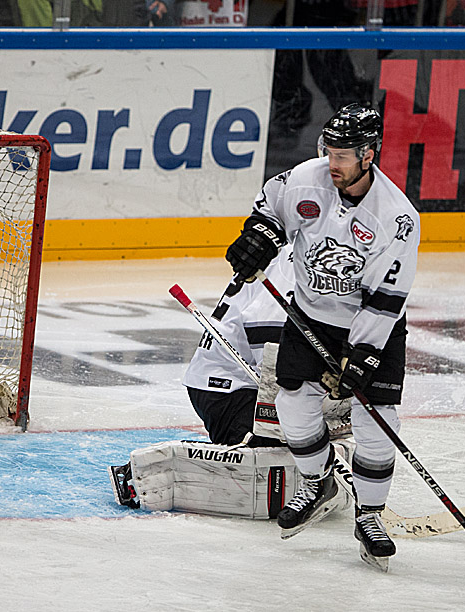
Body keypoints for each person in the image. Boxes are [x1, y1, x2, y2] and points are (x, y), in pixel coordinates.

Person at [224, 103, 420, 570]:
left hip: (372, 326)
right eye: (329, 151)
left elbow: (386, 298)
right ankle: (318, 482)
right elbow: (270, 208)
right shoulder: (306, 179)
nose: (332, 162)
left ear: (369, 155)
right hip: (310, 316)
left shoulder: (396, 217)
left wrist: (363, 353)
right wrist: (259, 236)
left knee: (376, 421)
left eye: (343, 155)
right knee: (292, 405)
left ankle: (369, 516)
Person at [108, 245, 357, 522]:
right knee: (275, 467)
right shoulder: (298, 257)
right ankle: (153, 471)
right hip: (228, 386)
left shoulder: (318, 250)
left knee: (310, 450)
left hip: (245, 375)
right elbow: (268, 330)